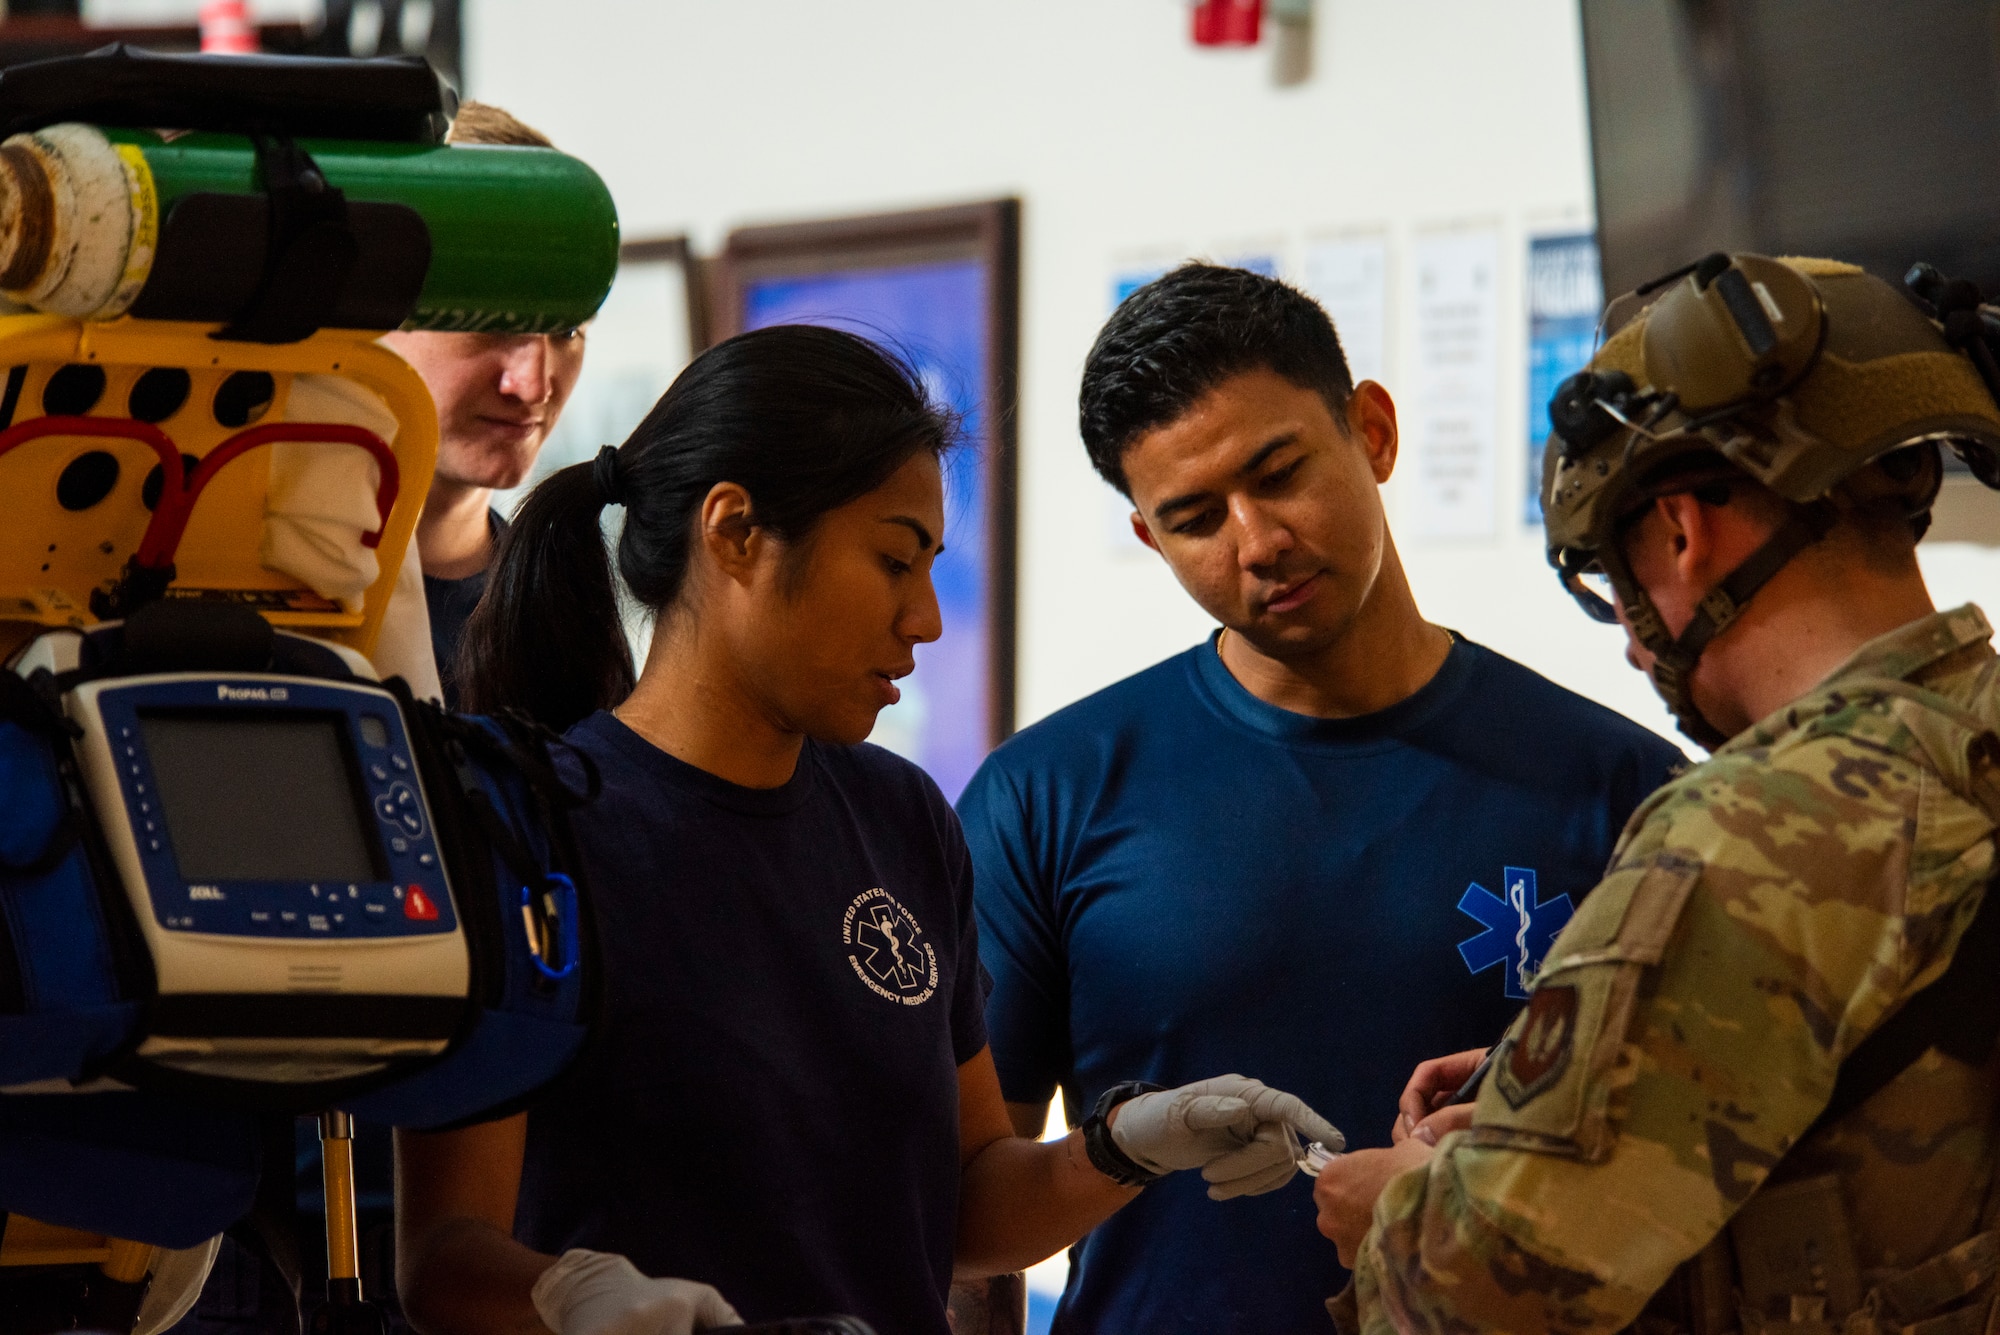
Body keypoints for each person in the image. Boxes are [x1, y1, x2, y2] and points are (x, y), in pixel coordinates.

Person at [393, 324, 1342, 1335]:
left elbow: (967, 1200)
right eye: (893, 560)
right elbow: (444, 1257)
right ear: (734, 532)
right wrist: (574, 1300)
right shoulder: (528, 824)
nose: (925, 618)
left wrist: (1124, 1145)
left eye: (931, 566)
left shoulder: (897, 816)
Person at [955, 263, 1685, 1335]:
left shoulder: (1619, 788)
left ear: (1373, 432)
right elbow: (973, 1217)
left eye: (1279, 472)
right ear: (1151, 540)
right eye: (1195, 518)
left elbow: (1687, 1179)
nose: (1256, 543)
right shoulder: (1045, 796)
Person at [1313, 253, 2000, 1334]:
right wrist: (1572, 1067)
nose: (1632, 650)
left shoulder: (1749, 832)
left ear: (1679, 534)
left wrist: (1394, 1207)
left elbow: (1472, 1298)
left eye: (1610, 582)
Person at [381, 100, 587, 707]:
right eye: (492, 323)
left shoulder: (560, 618)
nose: (533, 385)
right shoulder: (268, 591)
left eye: (568, 331)